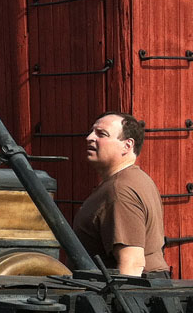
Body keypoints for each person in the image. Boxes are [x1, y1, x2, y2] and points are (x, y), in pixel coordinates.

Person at [72, 111, 170, 277]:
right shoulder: (133, 180)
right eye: (91, 132)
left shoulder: (120, 190)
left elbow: (132, 264)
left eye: (101, 134)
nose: (89, 138)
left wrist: (122, 294)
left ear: (127, 145)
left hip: (135, 289)